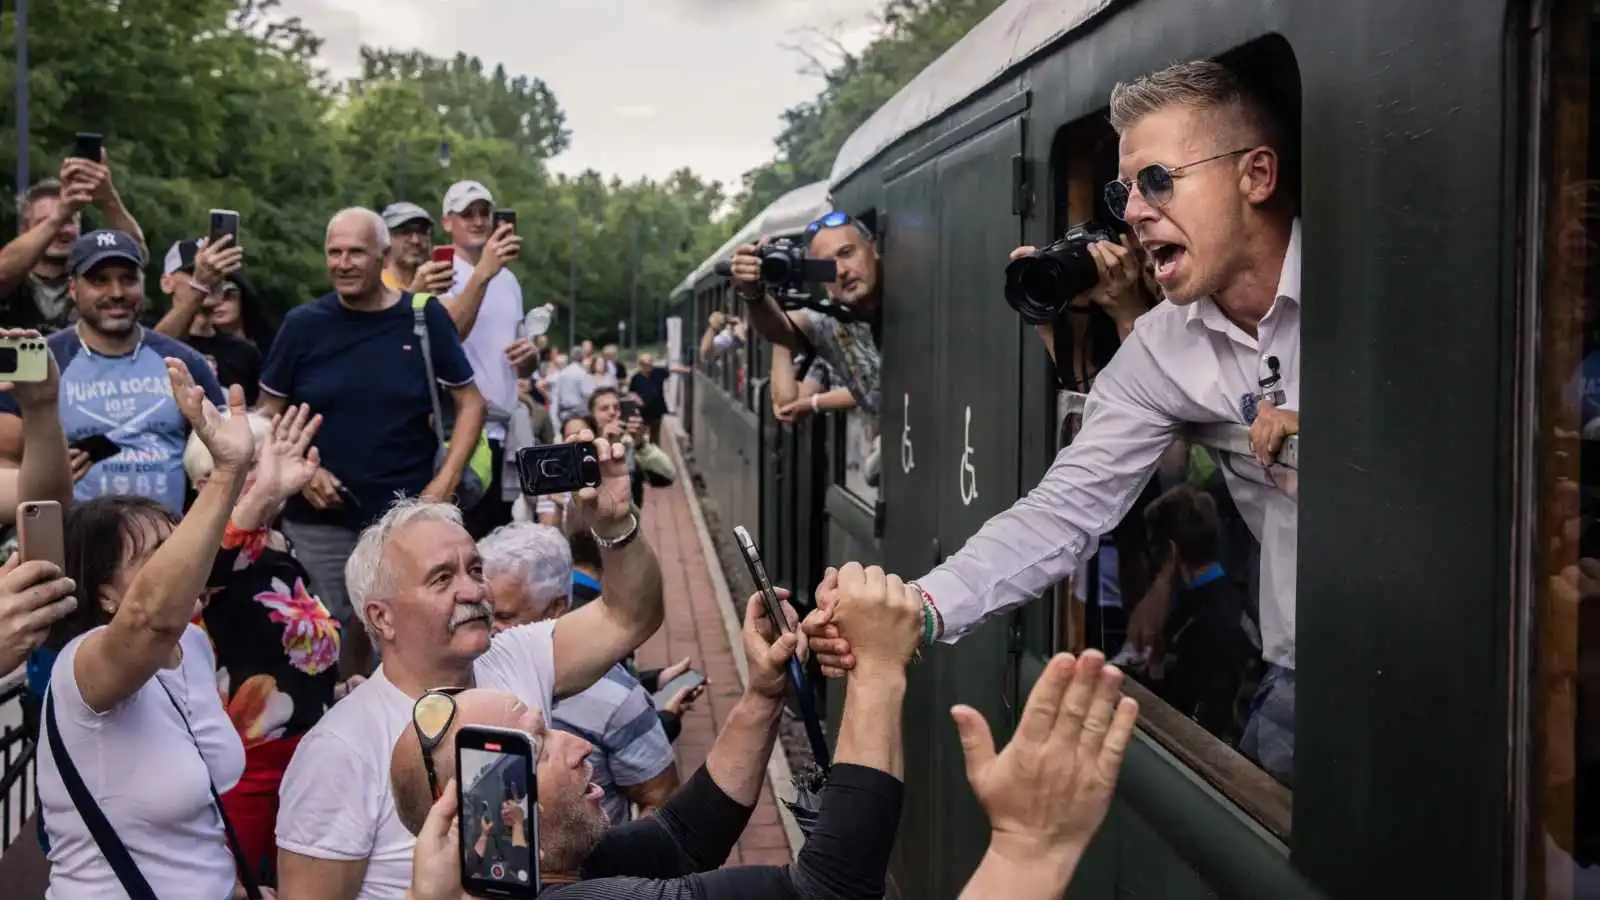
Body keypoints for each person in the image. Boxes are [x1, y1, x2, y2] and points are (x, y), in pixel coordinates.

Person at [803, 57, 1303, 786]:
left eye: (1159, 180)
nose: (1132, 212)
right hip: (1294, 664)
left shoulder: (1376, 282)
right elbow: (1064, 511)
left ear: (1255, 176)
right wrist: (921, 605)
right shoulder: (1165, 349)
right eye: (1123, 190)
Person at [273, 427, 665, 900]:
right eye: (442, 578)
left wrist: (615, 525)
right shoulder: (340, 750)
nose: (475, 591)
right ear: (382, 617)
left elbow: (630, 615)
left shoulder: (517, 653)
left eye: (474, 569)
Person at [391, 564, 912, 900]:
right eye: (540, 746)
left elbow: (681, 837)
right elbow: (830, 892)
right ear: (481, 814)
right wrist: (879, 670)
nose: (580, 745)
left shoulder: (532, 865)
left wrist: (762, 693)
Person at [37, 366, 257, 899]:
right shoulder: (81, 668)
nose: (185, 566)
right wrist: (229, 472)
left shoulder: (193, 646)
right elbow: (148, 619)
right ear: (104, 595)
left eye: (180, 545)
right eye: (157, 559)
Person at [258, 207, 487, 677]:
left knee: (410, 630)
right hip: (320, 516)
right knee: (329, 631)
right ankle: (340, 728)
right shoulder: (303, 325)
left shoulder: (422, 319)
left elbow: (471, 403)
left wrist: (443, 484)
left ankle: (414, 730)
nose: (342, 263)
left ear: (383, 255)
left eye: (355, 252)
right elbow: (266, 414)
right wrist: (302, 470)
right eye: (334, 252)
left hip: (405, 512)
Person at [184, 401, 348, 878]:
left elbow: (287, 659)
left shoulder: (281, 550)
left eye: (266, 459)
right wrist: (259, 496)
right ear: (203, 485)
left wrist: (337, 691)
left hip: (306, 760)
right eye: (248, 463)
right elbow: (216, 567)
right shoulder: (197, 548)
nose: (268, 474)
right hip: (245, 772)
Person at [0, 230, 225, 515]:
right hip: (74, 545)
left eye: (128, 279)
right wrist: (49, 474)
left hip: (169, 542)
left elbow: (220, 457)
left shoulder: (184, 362)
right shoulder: (42, 364)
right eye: (99, 280)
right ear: (73, 288)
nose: (116, 293)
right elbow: (6, 464)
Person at [479, 522, 680, 825]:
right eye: (483, 612)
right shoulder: (469, 669)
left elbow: (661, 798)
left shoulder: (616, 696)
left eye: (505, 617)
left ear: (556, 608)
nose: (489, 629)